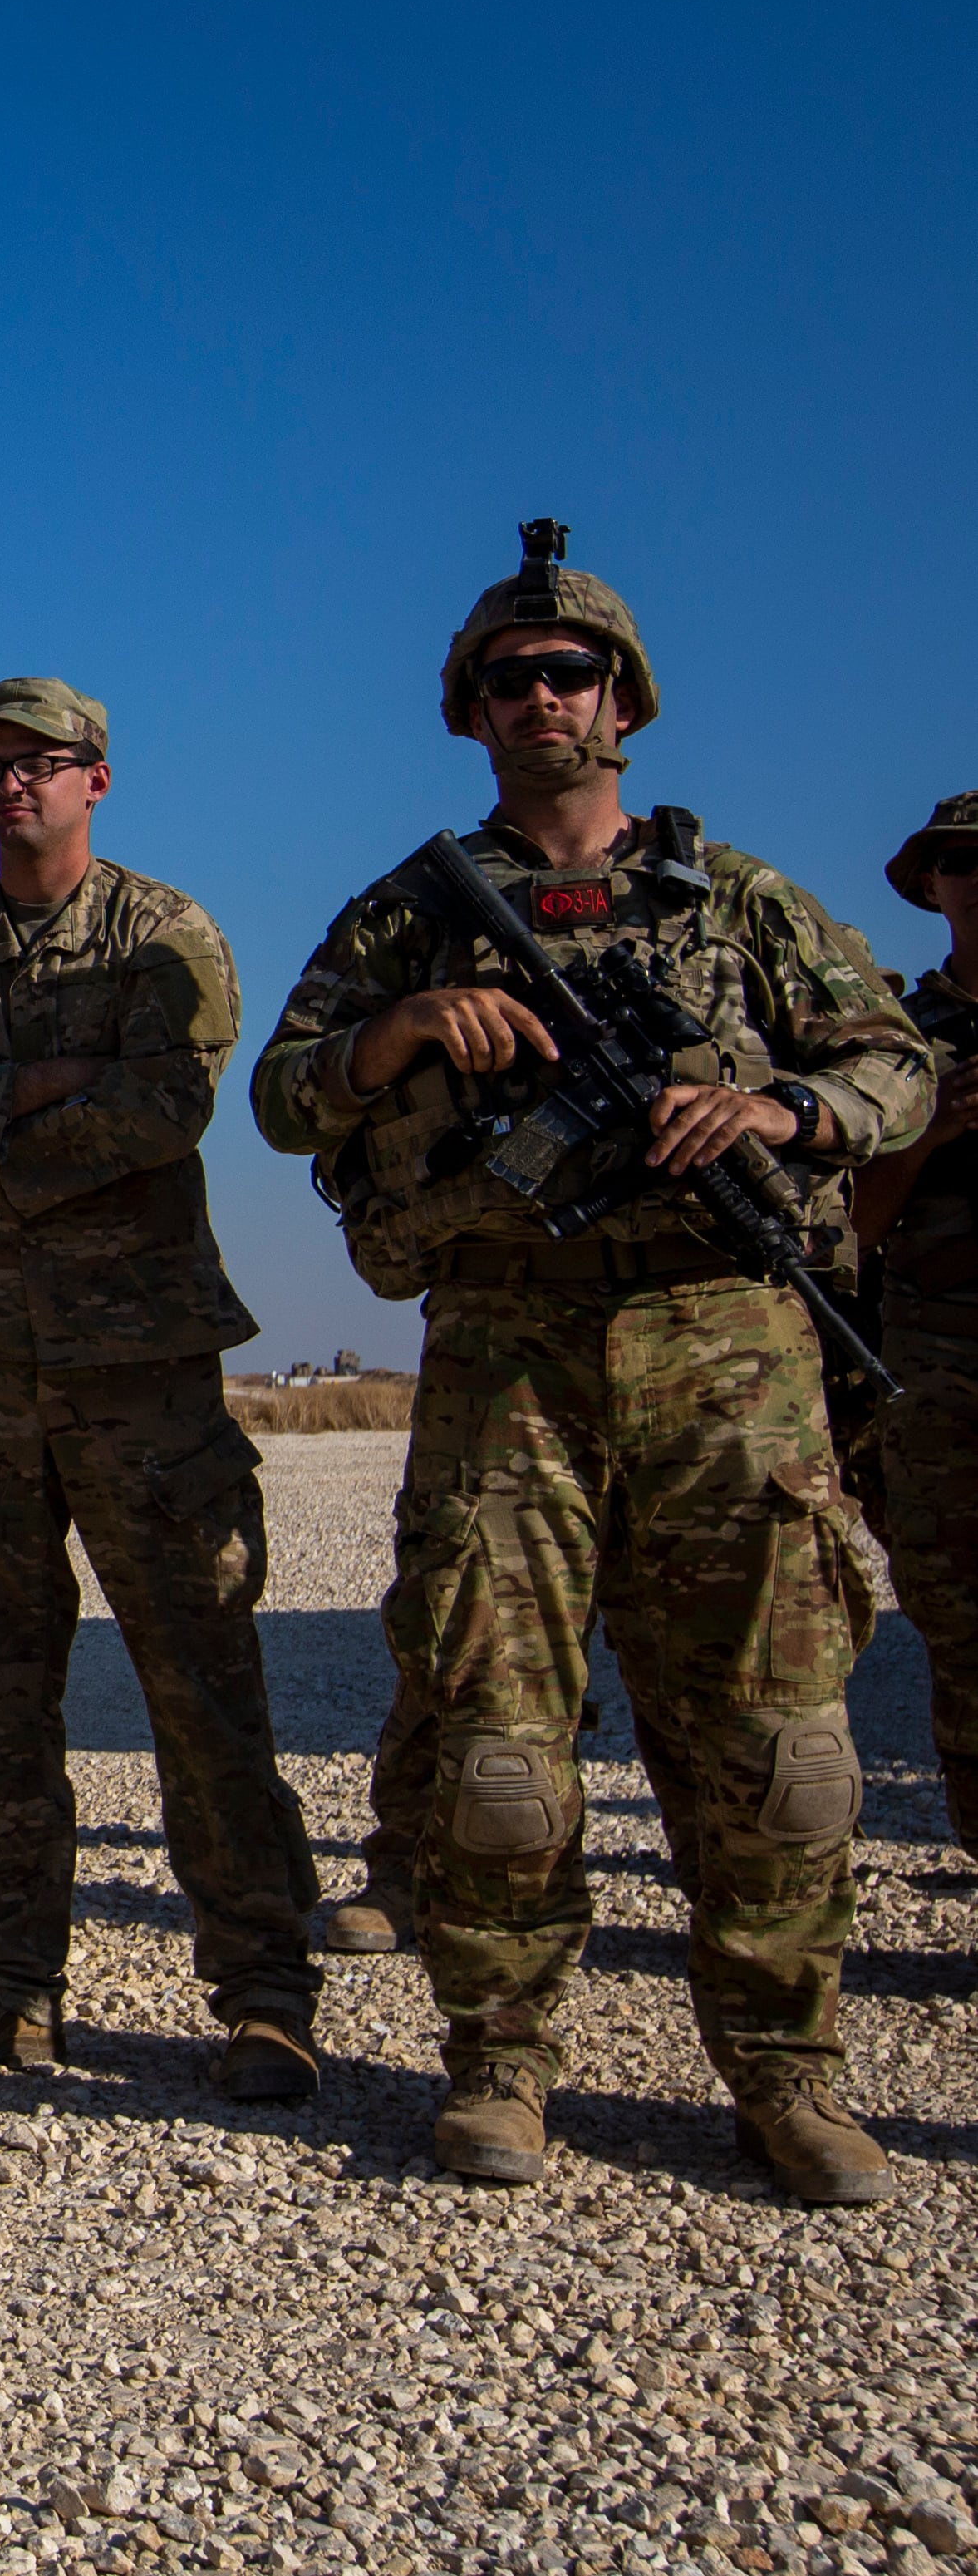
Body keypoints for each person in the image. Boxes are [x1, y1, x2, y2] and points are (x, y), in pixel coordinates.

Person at [251, 530, 929, 2199]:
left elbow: (894, 1066)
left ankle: (787, 2077)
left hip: (730, 1353)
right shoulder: (411, 914)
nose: (541, 697)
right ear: (466, 710)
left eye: (570, 673)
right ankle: (499, 2062)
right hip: (507, 1353)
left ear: (622, 702)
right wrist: (402, 1031)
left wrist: (781, 1109)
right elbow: (282, 1095)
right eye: (508, 676)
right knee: (494, 1738)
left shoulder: (743, 900)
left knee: (775, 1743)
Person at [0, 678, 325, 2104]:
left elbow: (168, 1103)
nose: (14, 784)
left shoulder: (162, 931)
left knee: (201, 1687)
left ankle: (262, 1993)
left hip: (142, 1370)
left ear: (97, 779)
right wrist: (45, 1083)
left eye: (43, 763)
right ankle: (3, 1992)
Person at [854, 791, 978, 1859]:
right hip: (940, 1359)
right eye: (961, 860)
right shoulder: (898, 1042)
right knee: (964, 1635)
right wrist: (923, 1137)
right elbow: (840, 1230)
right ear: (931, 884)